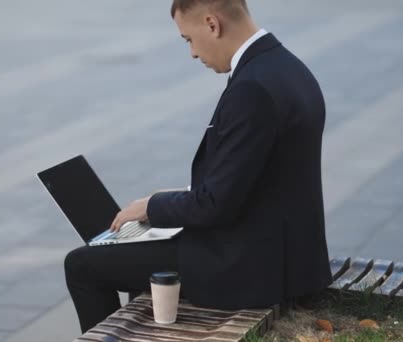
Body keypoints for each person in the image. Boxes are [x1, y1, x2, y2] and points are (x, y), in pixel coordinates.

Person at [65, 0, 333, 333]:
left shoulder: (251, 88)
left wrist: (152, 206)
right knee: (133, 256)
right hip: (288, 254)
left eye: (188, 39)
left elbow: (216, 207)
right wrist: (173, 202)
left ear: (211, 24)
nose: (192, 53)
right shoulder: (288, 67)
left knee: (81, 265)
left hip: (250, 267)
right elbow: (259, 177)